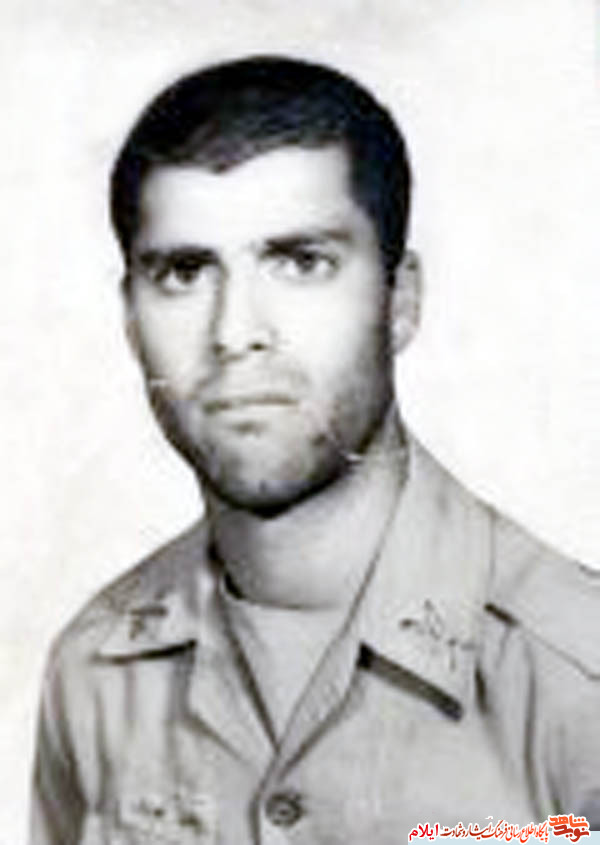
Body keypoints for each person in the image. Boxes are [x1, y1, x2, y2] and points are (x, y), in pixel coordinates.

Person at [30, 55, 600, 845]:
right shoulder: (95, 671)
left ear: (400, 302)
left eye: (302, 263)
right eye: (184, 272)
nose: (235, 332)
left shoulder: (578, 676)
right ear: (130, 319)